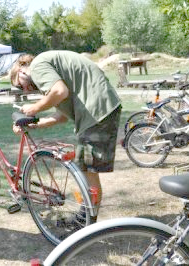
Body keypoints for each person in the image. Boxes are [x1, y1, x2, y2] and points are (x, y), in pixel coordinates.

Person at [10, 51, 122, 223]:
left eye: (20, 85)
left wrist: (34, 108)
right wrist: (33, 124)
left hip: (96, 111)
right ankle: (86, 218)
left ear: (22, 71)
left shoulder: (37, 66)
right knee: (85, 168)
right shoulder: (49, 71)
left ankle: (87, 222)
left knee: (87, 170)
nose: (25, 90)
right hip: (99, 109)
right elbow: (60, 116)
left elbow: (60, 91)